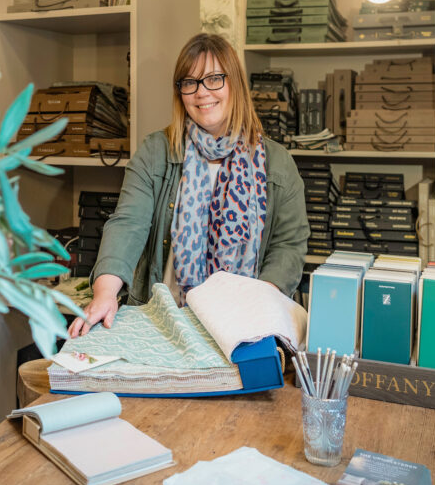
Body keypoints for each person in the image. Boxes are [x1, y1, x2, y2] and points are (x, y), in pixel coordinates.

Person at [69, 33, 309, 337]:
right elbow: (128, 223)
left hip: (243, 327)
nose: (201, 93)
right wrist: (104, 293)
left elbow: (289, 245)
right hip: (163, 320)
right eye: (189, 82)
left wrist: (257, 304)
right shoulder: (157, 151)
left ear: (234, 83)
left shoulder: (277, 163)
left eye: (213, 79)